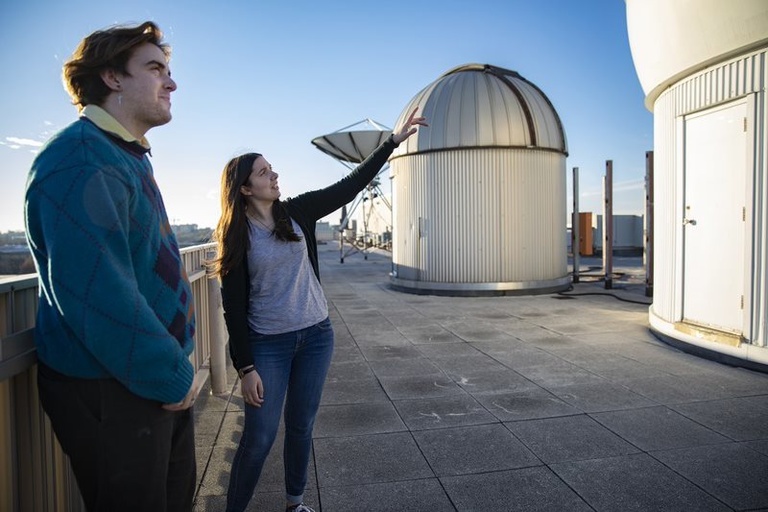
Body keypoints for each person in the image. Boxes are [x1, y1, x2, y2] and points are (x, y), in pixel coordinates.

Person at [212, 108, 427, 512]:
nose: (274, 176)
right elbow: (233, 309)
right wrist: (245, 367)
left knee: (301, 426)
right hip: (267, 345)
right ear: (243, 188)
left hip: (316, 335)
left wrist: (392, 142)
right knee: (259, 437)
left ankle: (295, 504)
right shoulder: (236, 236)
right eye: (263, 173)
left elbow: (349, 185)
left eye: (272, 169)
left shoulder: (297, 212)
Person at [24, 21, 200, 512]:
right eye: (155, 69)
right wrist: (170, 373)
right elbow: (96, 292)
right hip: (114, 386)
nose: (171, 82)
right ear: (112, 77)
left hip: (144, 378)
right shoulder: (80, 159)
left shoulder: (124, 156)